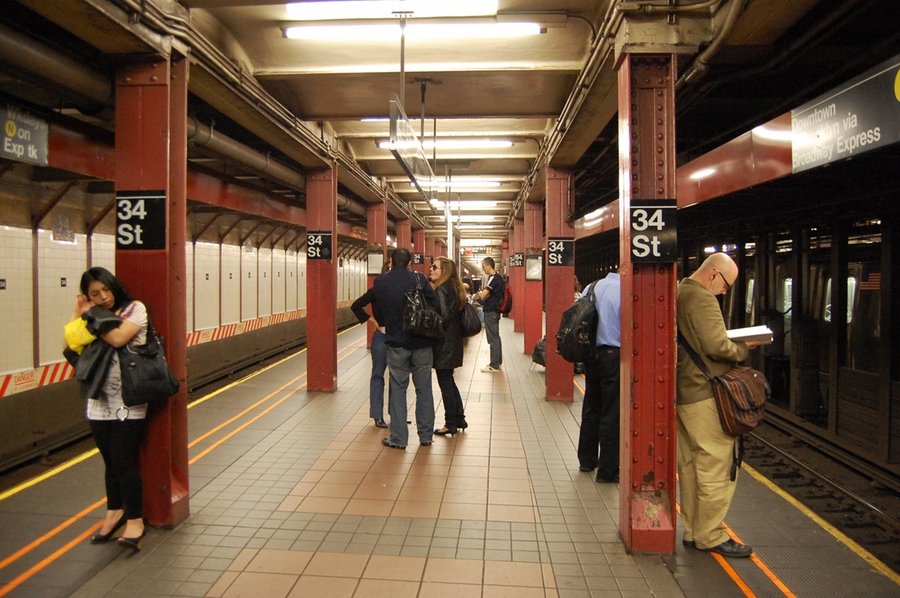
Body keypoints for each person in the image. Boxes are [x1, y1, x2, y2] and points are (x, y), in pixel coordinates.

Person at [677, 253, 759, 558]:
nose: (724, 292)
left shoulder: (679, 290)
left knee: (690, 465)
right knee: (714, 466)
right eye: (725, 285)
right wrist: (742, 348)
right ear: (713, 274)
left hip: (684, 393)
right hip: (704, 395)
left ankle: (693, 530)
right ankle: (710, 535)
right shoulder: (702, 298)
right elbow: (717, 346)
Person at [64, 267, 148, 552]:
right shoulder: (92, 316)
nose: (103, 297)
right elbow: (68, 346)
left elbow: (117, 338)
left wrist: (92, 316)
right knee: (109, 461)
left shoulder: (135, 309)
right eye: (94, 294)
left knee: (124, 459)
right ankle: (114, 512)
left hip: (127, 398)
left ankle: (135, 519)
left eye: (106, 290)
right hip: (98, 398)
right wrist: (77, 313)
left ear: (115, 287)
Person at [371, 248, 440, 448]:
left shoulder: (381, 282)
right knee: (424, 390)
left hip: (396, 344)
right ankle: (426, 436)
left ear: (391, 261)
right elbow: (435, 305)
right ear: (410, 263)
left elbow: (380, 308)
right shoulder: (419, 279)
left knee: (398, 390)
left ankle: (399, 438)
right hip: (421, 343)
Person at [576, 271, 621, 483]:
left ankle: (586, 459)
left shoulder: (591, 287)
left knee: (591, 405)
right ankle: (608, 470)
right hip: (614, 356)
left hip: (591, 355)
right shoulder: (625, 291)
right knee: (611, 412)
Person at [429, 256, 468, 435]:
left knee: (445, 383)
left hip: (444, 344)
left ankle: (450, 423)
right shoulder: (455, 288)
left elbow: (442, 317)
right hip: (453, 342)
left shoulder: (442, 289)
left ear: (443, 271)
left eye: (434, 267)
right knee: (449, 381)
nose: (431, 269)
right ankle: (459, 418)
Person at [350, 263, 390, 428]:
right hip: (382, 336)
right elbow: (356, 305)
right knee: (379, 375)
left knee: (394, 376)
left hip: (392, 337)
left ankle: (393, 413)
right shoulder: (376, 291)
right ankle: (377, 414)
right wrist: (371, 320)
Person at [477, 257, 505, 372]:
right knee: (495, 337)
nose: (483, 269)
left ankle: (494, 365)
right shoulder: (497, 278)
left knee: (493, 338)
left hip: (491, 311)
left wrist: (478, 295)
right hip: (494, 311)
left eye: (483, 266)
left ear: (489, 266)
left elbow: (483, 295)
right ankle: (497, 361)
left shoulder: (494, 278)